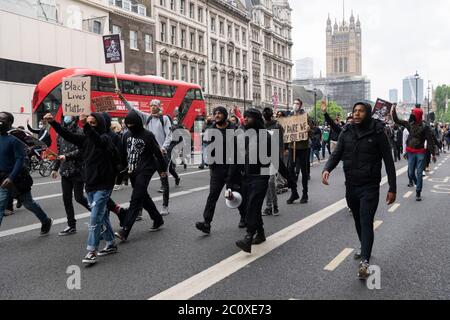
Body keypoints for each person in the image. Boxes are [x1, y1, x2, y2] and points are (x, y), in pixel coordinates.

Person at [322, 102, 397, 280]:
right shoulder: (346, 131)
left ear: (368, 113)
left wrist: (392, 188)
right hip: (351, 185)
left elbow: (388, 161)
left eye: (361, 111)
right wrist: (327, 168)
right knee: (357, 220)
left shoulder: (378, 132)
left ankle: (364, 260)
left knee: (366, 220)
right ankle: (365, 246)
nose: (356, 114)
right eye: (355, 111)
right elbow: (337, 153)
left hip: (370, 185)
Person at [44, 112, 117, 265]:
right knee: (101, 215)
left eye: (93, 123)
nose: (89, 125)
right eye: (87, 122)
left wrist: (84, 125)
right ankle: (110, 243)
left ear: (100, 125)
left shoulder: (105, 139)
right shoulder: (85, 140)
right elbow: (68, 135)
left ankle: (91, 251)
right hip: (90, 184)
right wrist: (53, 123)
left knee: (95, 216)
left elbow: (98, 140)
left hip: (104, 184)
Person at [116, 90, 177, 216]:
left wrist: (163, 148)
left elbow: (169, 135)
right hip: (149, 156)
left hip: (161, 154)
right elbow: (132, 109)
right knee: (141, 184)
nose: (153, 107)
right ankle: (138, 210)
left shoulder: (164, 119)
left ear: (159, 106)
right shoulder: (146, 117)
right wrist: (122, 98)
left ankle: (165, 206)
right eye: (151, 105)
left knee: (164, 180)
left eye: (155, 105)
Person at [114, 111, 168, 242]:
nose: (130, 126)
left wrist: (162, 170)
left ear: (138, 123)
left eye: (133, 123)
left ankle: (125, 230)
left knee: (136, 199)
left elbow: (157, 153)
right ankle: (157, 219)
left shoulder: (148, 135)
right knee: (143, 197)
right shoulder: (126, 135)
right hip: (132, 171)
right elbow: (122, 154)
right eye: (128, 124)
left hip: (146, 169)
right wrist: (121, 172)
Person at [0, 112, 53, 234]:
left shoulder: (15, 138)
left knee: (29, 204)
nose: (0, 121)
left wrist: (11, 177)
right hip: (2, 177)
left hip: (17, 177)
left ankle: (45, 221)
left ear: (9, 122)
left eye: (2, 119)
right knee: (1, 206)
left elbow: (20, 159)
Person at [195, 106, 245, 234]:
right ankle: (207, 223)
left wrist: (232, 172)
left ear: (225, 115)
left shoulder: (234, 130)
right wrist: (210, 163)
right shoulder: (210, 130)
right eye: (215, 113)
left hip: (232, 167)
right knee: (212, 196)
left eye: (219, 113)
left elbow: (238, 153)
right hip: (217, 168)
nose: (216, 115)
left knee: (234, 195)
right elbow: (207, 148)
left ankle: (244, 216)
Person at [233, 109, 271, 253]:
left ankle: (248, 237)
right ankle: (260, 234)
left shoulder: (265, 136)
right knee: (250, 205)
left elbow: (276, 159)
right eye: (244, 117)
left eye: (248, 117)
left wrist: (290, 180)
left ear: (256, 118)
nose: (245, 119)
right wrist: (232, 177)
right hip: (247, 176)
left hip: (261, 176)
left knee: (253, 206)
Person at [51, 115, 90, 236]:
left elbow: (82, 151)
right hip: (65, 171)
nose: (67, 118)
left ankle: (99, 212)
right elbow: (59, 151)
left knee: (79, 198)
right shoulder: (60, 133)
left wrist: (68, 156)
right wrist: (55, 168)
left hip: (77, 170)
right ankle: (71, 225)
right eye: (66, 115)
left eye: (70, 116)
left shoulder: (81, 131)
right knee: (66, 199)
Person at [392, 106, 436, 201]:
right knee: (411, 173)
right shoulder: (409, 124)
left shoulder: (425, 127)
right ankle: (417, 183)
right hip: (410, 152)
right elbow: (397, 120)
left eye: (414, 114)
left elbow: (430, 141)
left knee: (419, 173)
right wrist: (393, 110)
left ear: (418, 116)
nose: (411, 116)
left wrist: (433, 154)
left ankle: (418, 192)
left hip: (420, 152)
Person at [287, 99, 314, 204]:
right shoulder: (289, 116)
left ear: (301, 105)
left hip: (303, 147)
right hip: (292, 146)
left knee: (304, 170)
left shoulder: (305, 116)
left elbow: (313, 132)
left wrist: (308, 130)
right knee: (290, 169)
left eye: (297, 103)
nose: (295, 105)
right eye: (294, 103)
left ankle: (305, 193)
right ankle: (294, 192)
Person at [262, 107, 283, 216]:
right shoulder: (261, 126)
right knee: (266, 183)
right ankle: (268, 206)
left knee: (271, 182)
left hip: (274, 156)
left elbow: (280, 142)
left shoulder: (277, 126)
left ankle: (274, 206)